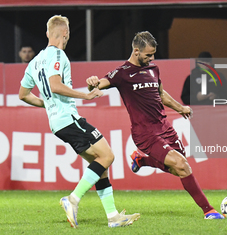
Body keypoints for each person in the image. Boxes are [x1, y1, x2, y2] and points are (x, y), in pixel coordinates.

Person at [86, 31, 225, 219]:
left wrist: (179, 108)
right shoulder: (122, 73)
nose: (152, 58)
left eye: (153, 54)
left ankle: (141, 160)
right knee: (181, 165)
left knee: (178, 168)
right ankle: (209, 210)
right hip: (145, 133)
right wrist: (92, 82)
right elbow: (99, 84)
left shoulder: (153, 69)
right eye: (148, 54)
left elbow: (159, 93)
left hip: (164, 127)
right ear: (136, 51)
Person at [18, 15, 140, 228]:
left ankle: (112, 217)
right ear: (65, 33)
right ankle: (72, 199)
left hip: (57, 123)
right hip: (69, 118)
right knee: (108, 155)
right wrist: (86, 96)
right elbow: (55, 85)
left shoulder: (35, 61)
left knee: (100, 165)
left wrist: (48, 105)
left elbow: (23, 94)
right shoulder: (58, 55)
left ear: (48, 33)